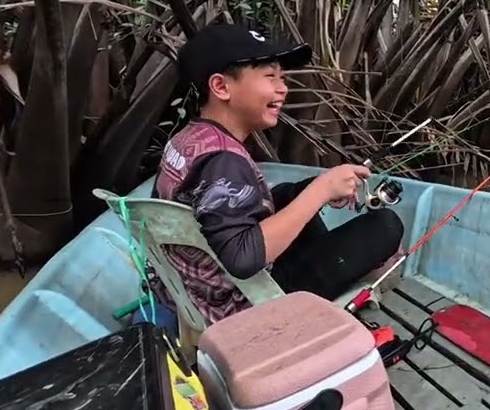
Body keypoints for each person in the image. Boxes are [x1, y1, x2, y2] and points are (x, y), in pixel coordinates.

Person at [149, 20, 404, 325]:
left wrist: (315, 189)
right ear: (220, 86)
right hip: (242, 304)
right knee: (386, 226)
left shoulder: (190, 139)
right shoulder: (224, 162)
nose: (283, 88)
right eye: (270, 76)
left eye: (282, 78)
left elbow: (225, 213)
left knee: (291, 197)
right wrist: (320, 191)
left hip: (197, 287)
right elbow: (243, 259)